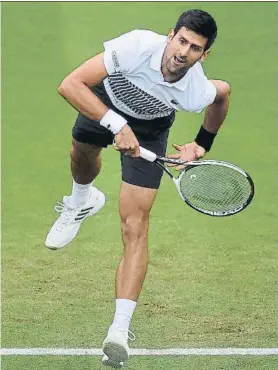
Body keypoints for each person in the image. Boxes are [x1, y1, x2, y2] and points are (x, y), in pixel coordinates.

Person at [45, 9, 230, 368]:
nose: (183, 52)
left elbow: (223, 94)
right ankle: (81, 201)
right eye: (181, 41)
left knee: (135, 225)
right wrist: (116, 124)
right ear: (170, 35)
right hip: (105, 103)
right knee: (81, 156)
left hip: (151, 129)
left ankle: (118, 330)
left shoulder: (195, 91)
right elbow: (70, 85)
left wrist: (201, 143)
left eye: (194, 48)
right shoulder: (135, 47)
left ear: (203, 55)